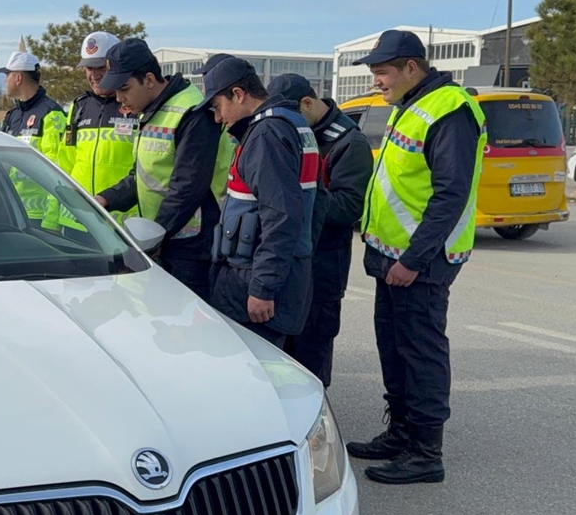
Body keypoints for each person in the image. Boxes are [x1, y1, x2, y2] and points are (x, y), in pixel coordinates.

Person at [345, 30, 486, 485]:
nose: (377, 82)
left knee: (421, 351)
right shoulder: (410, 105)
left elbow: (450, 195)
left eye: (383, 72)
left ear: (411, 67)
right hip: (393, 255)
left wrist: (414, 259)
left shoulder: (450, 109)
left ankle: (426, 452)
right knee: (394, 346)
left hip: (420, 261)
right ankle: (402, 432)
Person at [93, 39, 234, 299]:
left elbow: (188, 187)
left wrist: (153, 236)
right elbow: (144, 175)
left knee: (187, 326)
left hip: (193, 244)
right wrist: (105, 199)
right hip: (165, 239)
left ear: (148, 79)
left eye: (124, 88)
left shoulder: (192, 112)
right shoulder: (151, 111)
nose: (119, 98)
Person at [199, 56, 317, 346]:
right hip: (276, 271)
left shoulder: (266, 134)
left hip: (254, 277)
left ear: (238, 94)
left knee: (255, 371)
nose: (218, 118)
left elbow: (282, 215)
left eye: (217, 106)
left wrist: (263, 287)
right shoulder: (291, 121)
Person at [271, 74, 373, 388]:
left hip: (323, 264)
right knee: (282, 354)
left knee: (311, 351)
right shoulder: (296, 133)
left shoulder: (348, 142)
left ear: (308, 103)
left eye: (291, 114)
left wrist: (295, 201)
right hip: (292, 261)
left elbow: (349, 207)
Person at [57, 31, 139, 234]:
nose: (94, 75)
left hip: (121, 226)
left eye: (101, 67)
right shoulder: (79, 107)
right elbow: (64, 166)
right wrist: (53, 221)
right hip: (76, 223)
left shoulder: (137, 105)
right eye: (88, 68)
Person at [0, 51, 66, 227]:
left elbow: (57, 171)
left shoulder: (51, 114)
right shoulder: (12, 115)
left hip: (38, 217)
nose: (5, 81)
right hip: (10, 211)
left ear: (18, 78)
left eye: (7, 75)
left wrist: (51, 220)